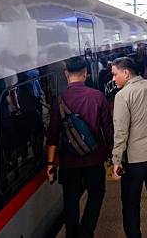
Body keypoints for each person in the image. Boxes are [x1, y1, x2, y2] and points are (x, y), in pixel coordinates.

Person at [46, 56, 113, 238]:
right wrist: (111, 154)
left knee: (70, 199)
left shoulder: (58, 101)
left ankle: (72, 233)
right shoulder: (97, 96)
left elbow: (52, 135)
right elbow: (108, 130)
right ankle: (86, 231)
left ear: (66, 74)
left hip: (69, 162)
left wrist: (50, 164)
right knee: (96, 194)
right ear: (85, 74)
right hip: (94, 158)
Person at [111, 57, 147, 238]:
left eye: (115, 74)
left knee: (130, 202)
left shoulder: (122, 96)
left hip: (136, 159)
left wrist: (116, 160)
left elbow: (120, 132)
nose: (113, 79)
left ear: (126, 73)